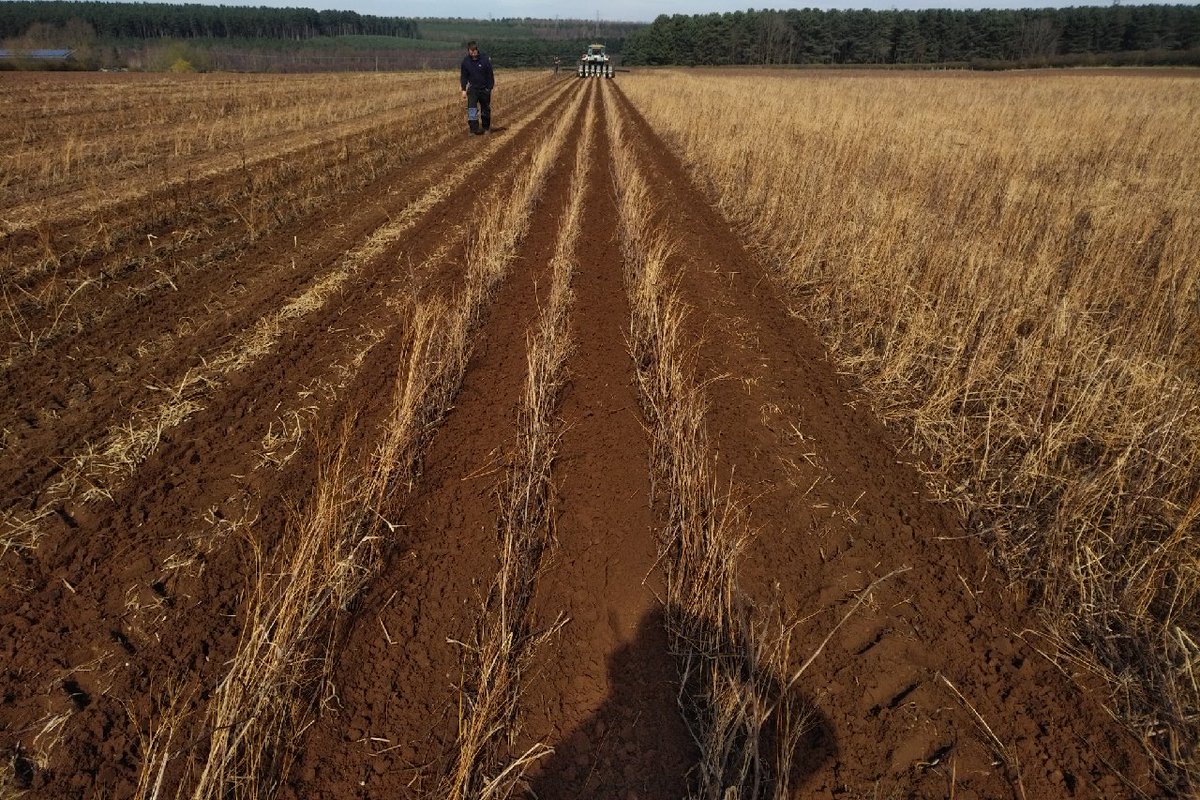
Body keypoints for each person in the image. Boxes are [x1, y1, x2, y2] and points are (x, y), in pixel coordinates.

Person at [460, 41, 494, 136]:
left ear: (477, 49)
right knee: (472, 109)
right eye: (471, 50)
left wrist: (489, 88)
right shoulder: (465, 62)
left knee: (485, 109)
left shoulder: (484, 60)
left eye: (475, 50)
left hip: (484, 89)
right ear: (468, 51)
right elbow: (464, 76)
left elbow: (490, 75)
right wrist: (463, 89)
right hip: (472, 90)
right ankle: (473, 129)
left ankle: (486, 127)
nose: (473, 52)